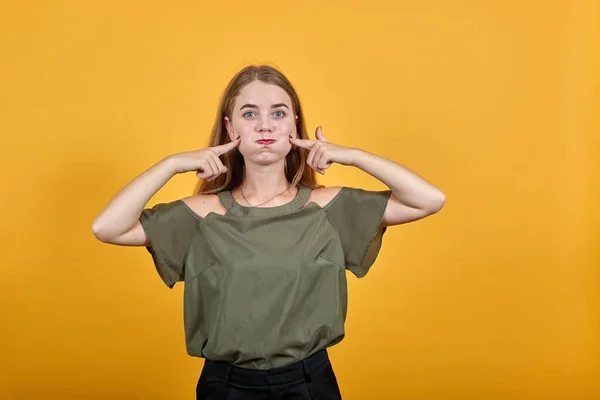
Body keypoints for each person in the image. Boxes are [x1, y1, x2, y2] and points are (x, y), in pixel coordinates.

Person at [92, 64, 446, 399]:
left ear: (294, 124)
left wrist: (351, 155)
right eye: (250, 114)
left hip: (309, 384)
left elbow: (428, 200)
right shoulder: (201, 215)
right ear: (231, 129)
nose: (265, 126)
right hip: (226, 387)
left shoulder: (329, 208)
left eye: (278, 113)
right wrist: (170, 165)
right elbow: (107, 227)